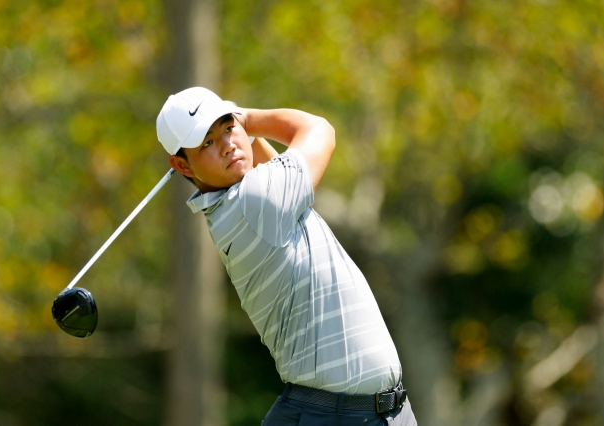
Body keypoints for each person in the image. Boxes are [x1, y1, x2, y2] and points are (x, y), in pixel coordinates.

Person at [156, 87, 417, 426]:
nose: (227, 144)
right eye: (206, 142)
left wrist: (238, 127)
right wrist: (247, 118)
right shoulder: (254, 202)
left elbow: (261, 161)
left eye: (227, 128)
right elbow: (319, 129)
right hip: (334, 417)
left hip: (374, 413)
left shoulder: (245, 198)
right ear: (181, 165)